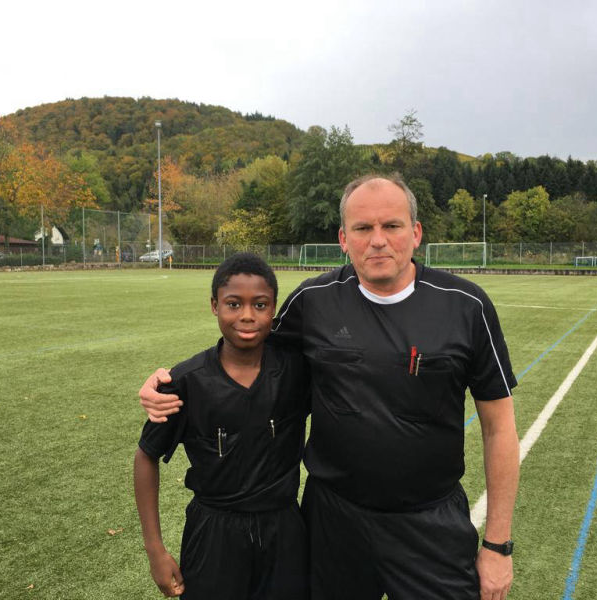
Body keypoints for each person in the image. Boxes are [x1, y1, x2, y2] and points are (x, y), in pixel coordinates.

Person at [140, 174, 519, 600]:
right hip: (334, 523)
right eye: (363, 228)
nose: (378, 240)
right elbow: (246, 347)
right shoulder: (313, 300)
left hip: (430, 522)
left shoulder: (466, 305)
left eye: (391, 226)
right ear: (343, 238)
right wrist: (169, 379)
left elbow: (499, 428)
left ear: (415, 233)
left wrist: (497, 546)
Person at [133, 252, 310, 599]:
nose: (247, 315)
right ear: (214, 306)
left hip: (285, 530)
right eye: (233, 304)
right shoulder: (186, 382)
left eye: (260, 305)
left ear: (274, 309)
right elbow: (146, 456)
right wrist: (155, 550)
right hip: (213, 533)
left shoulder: (298, 372)